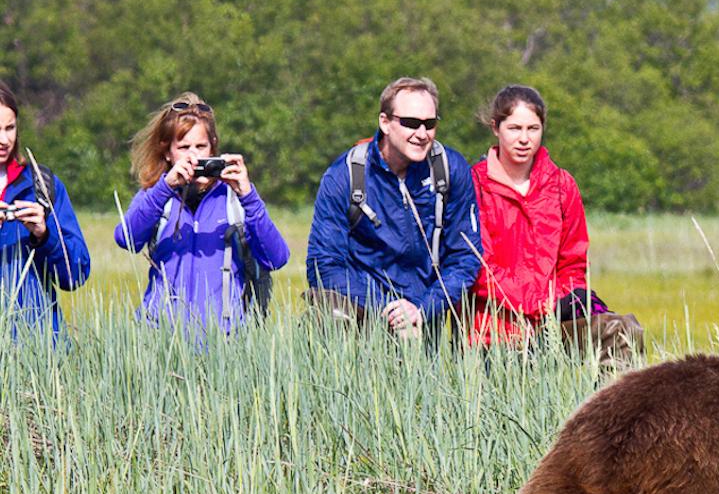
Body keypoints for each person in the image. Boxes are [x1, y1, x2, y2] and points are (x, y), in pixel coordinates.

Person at [305, 77, 480, 338]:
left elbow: (466, 256)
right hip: (363, 315)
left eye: (430, 124)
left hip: (424, 317)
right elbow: (323, 264)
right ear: (384, 122)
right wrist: (386, 309)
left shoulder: (450, 169)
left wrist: (423, 308)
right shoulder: (345, 175)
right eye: (410, 123)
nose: (422, 134)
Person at [114, 92, 289, 332]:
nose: (193, 155)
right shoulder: (156, 195)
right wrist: (165, 187)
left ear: (213, 148)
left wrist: (248, 197)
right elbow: (126, 239)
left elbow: (276, 258)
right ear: (167, 152)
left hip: (224, 341)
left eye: (200, 146)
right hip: (161, 339)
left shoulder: (233, 198)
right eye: (183, 147)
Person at [466, 85, 591, 346]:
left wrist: (555, 303)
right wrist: (535, 302)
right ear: (495, 128)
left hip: (551, 332)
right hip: (489, 336)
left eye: (533, 129)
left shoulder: (562, 186)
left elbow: (573, 264)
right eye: (514, 128)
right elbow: (477, 266)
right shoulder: (473, 185)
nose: (524, 139)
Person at [0, 80, 90, 337]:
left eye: (10, 128)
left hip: (39, 348)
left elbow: (76, 275)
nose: (4, 139)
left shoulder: (42, 184)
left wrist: (45, 235)